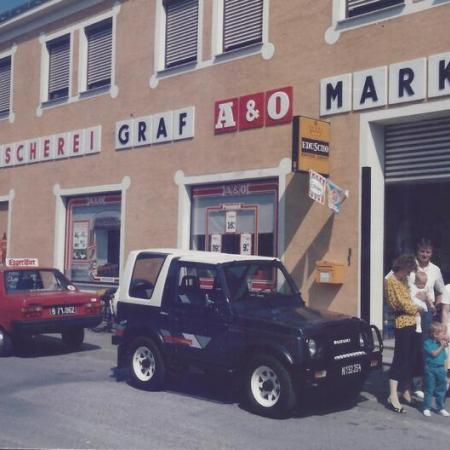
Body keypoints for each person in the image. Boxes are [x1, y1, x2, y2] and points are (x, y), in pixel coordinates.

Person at [409, 238, 450, 398]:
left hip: (427, 313)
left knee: (424, 347)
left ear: (431, 253)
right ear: (417, 251)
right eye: (422, 251)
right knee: (412, 348)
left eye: (428, 251)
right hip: (410, 310)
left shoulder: (435, 270)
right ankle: (412, 383)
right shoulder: (410, 266)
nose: (425, 254)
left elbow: (441, 291)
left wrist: (437, 306)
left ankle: (424, 383)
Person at [385, 254, 423, 413]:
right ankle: (393, 395)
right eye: (408, 270)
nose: (409, 274)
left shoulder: (404, 280)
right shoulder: (391, 281)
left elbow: (411, 295)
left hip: (414, 322)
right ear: (401, 267)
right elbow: (400, 302)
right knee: (400, 358)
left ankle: (406, 392)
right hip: (403, 322)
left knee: (411, 358)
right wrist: (417, 307)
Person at [423, 321, 449, 417]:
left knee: (441, 389)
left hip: (441, 369)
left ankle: (440, 407)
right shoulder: (427, 343)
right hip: (430, 369)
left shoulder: (441, 343)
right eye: (443, 333)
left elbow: (445, 358)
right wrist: (442, 347)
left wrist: (445, 371)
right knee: (430, 388)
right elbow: (434, 354)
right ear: (435, 334)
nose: (444, 335)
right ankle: (426, 407)